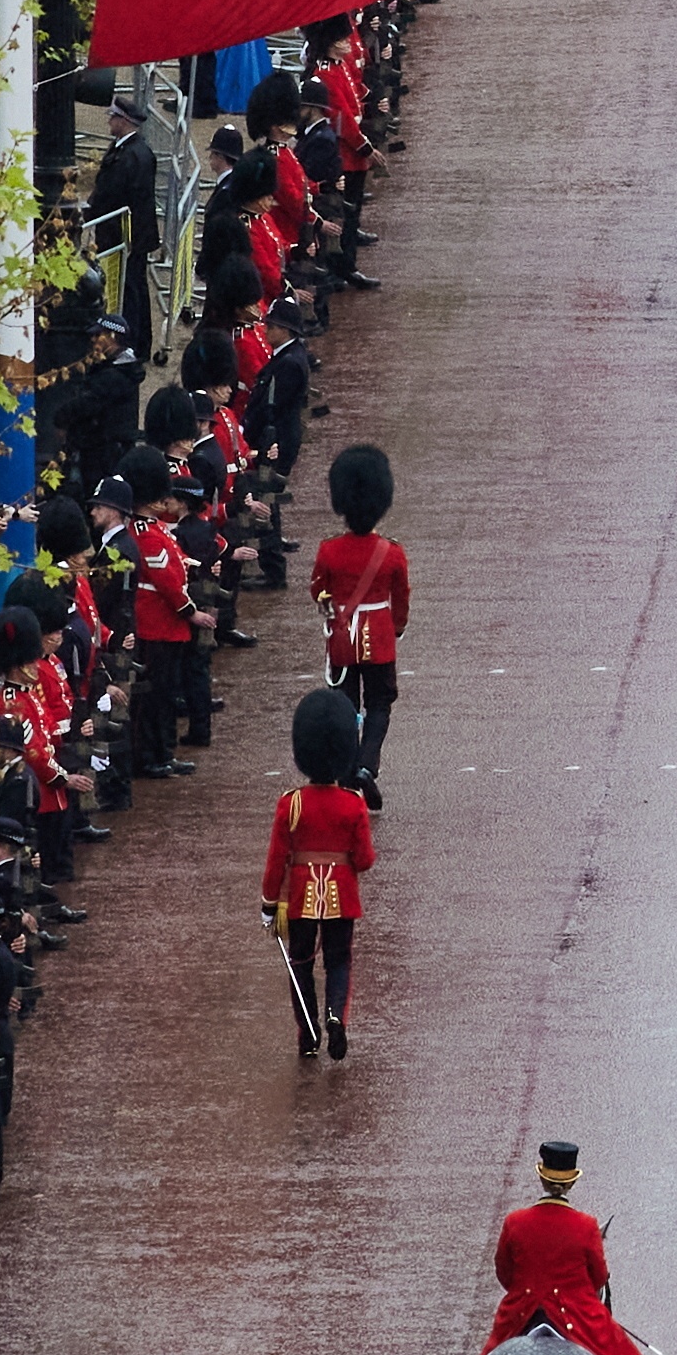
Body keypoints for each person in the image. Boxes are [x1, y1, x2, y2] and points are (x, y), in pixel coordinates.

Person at [484, 1135, 650, 1355]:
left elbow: (504, 1273)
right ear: (572, 1182)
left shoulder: (514, 1221)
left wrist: (525, 1291)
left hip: (522, 1311)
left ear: (541, 1176)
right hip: (573, 1314)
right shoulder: (586, 1225)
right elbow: (600, 1276)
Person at [261, 690, 377, 1063]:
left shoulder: (290, 802)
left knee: (302, 966)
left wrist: (268, 903)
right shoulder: (353, 803)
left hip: (299, 898)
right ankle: (334, 1017)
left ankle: (308, 1033)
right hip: (342, 894)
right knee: (339, 961)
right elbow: (365, 860)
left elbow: (277, 858)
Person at [307, 443, 410, 795]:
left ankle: (350, 769)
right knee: (379, 704)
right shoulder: (392, 552)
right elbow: (401, 599)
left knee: (346, 705)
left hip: (342, 636)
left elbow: (317, 589)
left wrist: (329, 604)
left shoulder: (329, 549)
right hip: (379, 634)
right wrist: (396, 627)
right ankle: (367, 764)